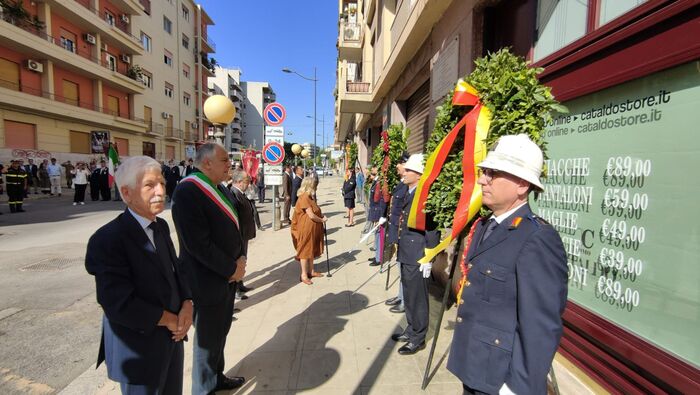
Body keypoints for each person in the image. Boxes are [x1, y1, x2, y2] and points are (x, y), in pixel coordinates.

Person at [447, 134, 568, 395]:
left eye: (493, 173)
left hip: (500, 379)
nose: (482, 180)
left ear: (522, 184)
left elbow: (540, 325)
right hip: (474, 364)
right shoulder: (485, 226)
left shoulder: (537, 239)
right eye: (484, 172)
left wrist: (517, 387)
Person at [84, 156, 193, 394]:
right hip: (139, 351)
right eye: (150, 185)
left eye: (162, 183)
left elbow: (176, 270)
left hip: (172, 340)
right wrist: (170, 319)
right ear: (127, 192)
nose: (161, 191)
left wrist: (187, 303)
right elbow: (118, 303)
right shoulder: (108, 239)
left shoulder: (160, 226)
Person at [171, 143, 247, 394]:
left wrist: (240, 260)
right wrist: (230, 269)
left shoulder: (217, 188)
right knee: (206, 342)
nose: (230, 165)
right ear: (206, 164)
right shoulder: (188, 192)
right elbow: (198, 244)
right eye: (225, 160)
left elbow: (231, 228)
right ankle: (203, 389)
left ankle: (217, 378)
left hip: (226, 278)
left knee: (220, 333)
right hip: (206, 281)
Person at [391, 154, 440, 355]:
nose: (404, 172)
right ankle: (411, 329)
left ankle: (418, 338)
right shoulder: (410, 191)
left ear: (419, 174)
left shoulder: (423, 194)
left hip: (418, 253)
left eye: (409, 170)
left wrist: (429, 257)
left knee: (418, 298)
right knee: (409, 295)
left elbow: (432, 228)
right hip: (407, 251)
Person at [384, 152, 411, 313]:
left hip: (402, 231)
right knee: (399, 266)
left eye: (400, 163)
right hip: (395, 228)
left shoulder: (408, 185)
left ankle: (404, 300)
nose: (397, 166)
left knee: (404, 269)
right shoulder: (402, 183)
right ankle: (400, 296)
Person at [291, 177, 327, 284]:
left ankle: (311, 271)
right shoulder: (304, 197)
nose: (316, 188)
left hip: (312, 229)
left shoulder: (309, 197)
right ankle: (304, 275)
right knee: (305, 251)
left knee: (311, 250)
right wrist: (322, 220)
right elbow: (311, 215)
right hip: (305, 229)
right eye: (315, 186)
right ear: (310, 186)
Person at [228, 169, 257, 301]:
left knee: (243, 260)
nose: (248, 184)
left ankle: (240, 284)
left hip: (244, 235)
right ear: (239, 182)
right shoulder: (233, 194)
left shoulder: (241, 193)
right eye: (247, 181)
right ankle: (237, 290)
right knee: (239, 262)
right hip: (240, 235)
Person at [367, 170, 387, 266]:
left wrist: (380, 216)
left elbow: (381, 200)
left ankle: (379, 258)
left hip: (378, 213)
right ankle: (376, 256)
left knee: (379, 236)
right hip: (375, 212)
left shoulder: (381, 182)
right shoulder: (376, 181)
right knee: (376, 235)